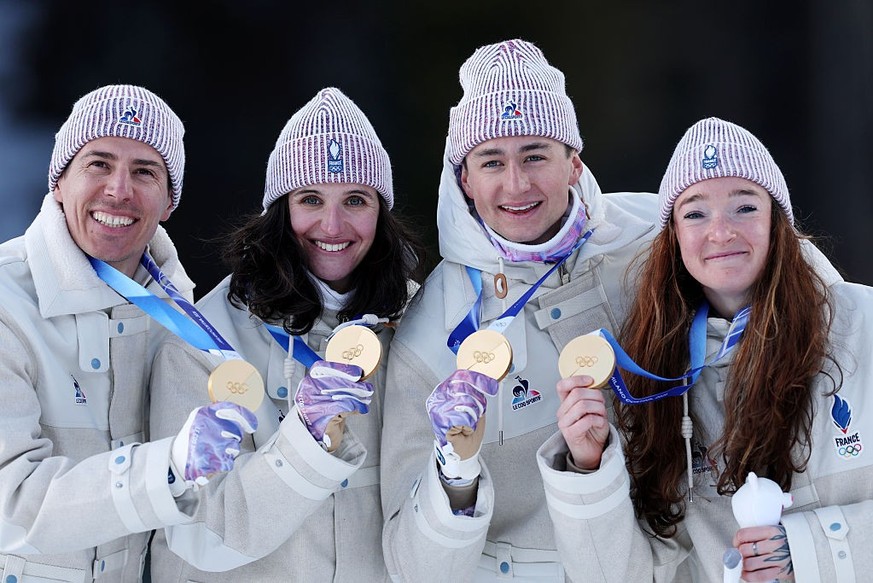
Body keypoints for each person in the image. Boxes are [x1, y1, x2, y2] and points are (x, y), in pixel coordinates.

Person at [380, 39, 660, 581]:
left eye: (535, 155)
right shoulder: (432, 325)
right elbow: (410, 567)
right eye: (492, 161)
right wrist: (454, 469)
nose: (517, 184)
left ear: (574, 163)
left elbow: (794, 280)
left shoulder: (658, 240)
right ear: (464, 178)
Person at [546, 117, 872, 581]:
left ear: (778, 222)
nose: (720, 232)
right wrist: (589, 464)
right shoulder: (654, 369)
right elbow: (622, 573)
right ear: (674, 237)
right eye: (695, 213)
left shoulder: (861, 323)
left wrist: (810, 549)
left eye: (744, 207)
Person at [148, 87, 424, 582]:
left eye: (356, 200)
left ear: (380, 214)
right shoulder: (202, 343)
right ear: (278, 210)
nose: (333, 225)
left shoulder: (415, 323)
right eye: (311, 199)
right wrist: (304, 439)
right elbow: (196, 535)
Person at [0, 84, 257, 583]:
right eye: (98, 163)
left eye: (145, 172)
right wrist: (170, 464)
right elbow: (10, 502)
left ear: (168, 203)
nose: (119, 190)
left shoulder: (187, 319)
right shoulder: (5, 301)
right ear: (58, 182)